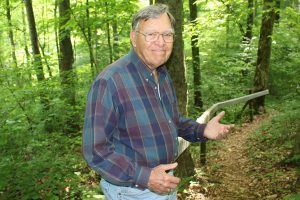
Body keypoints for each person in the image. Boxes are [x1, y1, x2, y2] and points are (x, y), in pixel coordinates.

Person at [82, 4, 234, 200]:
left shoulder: (161, 74)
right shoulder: (110, 82)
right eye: (151, 34)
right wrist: (145, 177)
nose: (161, 42)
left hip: (165, 182)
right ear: (133, 38)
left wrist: (202, 130)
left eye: (167, 35)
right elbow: (95, 150)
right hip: (133, 191)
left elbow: (172, 121)